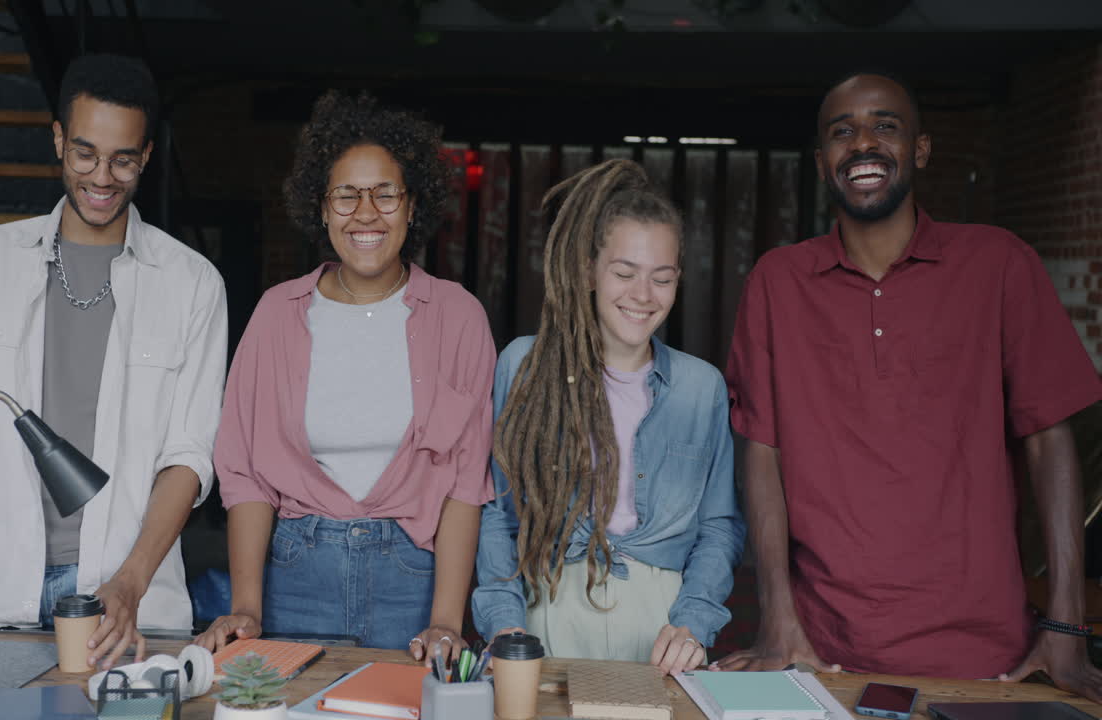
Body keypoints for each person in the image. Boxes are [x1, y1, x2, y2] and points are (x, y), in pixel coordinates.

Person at [719, 71, 1102, 701]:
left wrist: (1065, 625)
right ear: (822, 162)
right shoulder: (778, 281)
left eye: (884, 126)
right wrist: (778, 620)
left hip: (984, 652)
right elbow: (761, 453)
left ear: (920, 149)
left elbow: (1048, 439)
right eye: (843, 132)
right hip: (822, 653)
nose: (863, 142)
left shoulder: (999, 263)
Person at [0, 54, 228, 672]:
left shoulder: (193, 283)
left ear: (148, 155)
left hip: (124, 607)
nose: (101, 177)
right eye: (84, 153)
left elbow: (188, 457)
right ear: (58, 139)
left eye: (123, 159)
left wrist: (130, 584)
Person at [194, 91, 495, 660]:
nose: (365, 212)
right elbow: (245, 473)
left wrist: (446, 620)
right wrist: (248, 607)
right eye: (346, 195)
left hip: (413, 580)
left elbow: (464, 483)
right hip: (294, 577)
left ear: (412, 206)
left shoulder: (459, 318)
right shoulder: (277, 314)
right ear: (322, 207)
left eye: (385, 194)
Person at [471, 159, 744, 675]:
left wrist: (694, 622)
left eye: (662, 278)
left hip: (662, 626)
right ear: (587, 272)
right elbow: (498, 515)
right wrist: (505, 621)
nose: (643, 295)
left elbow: (719, 526)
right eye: (624, 273)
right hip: (546, 610)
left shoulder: (700, 387)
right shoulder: (523, 367)